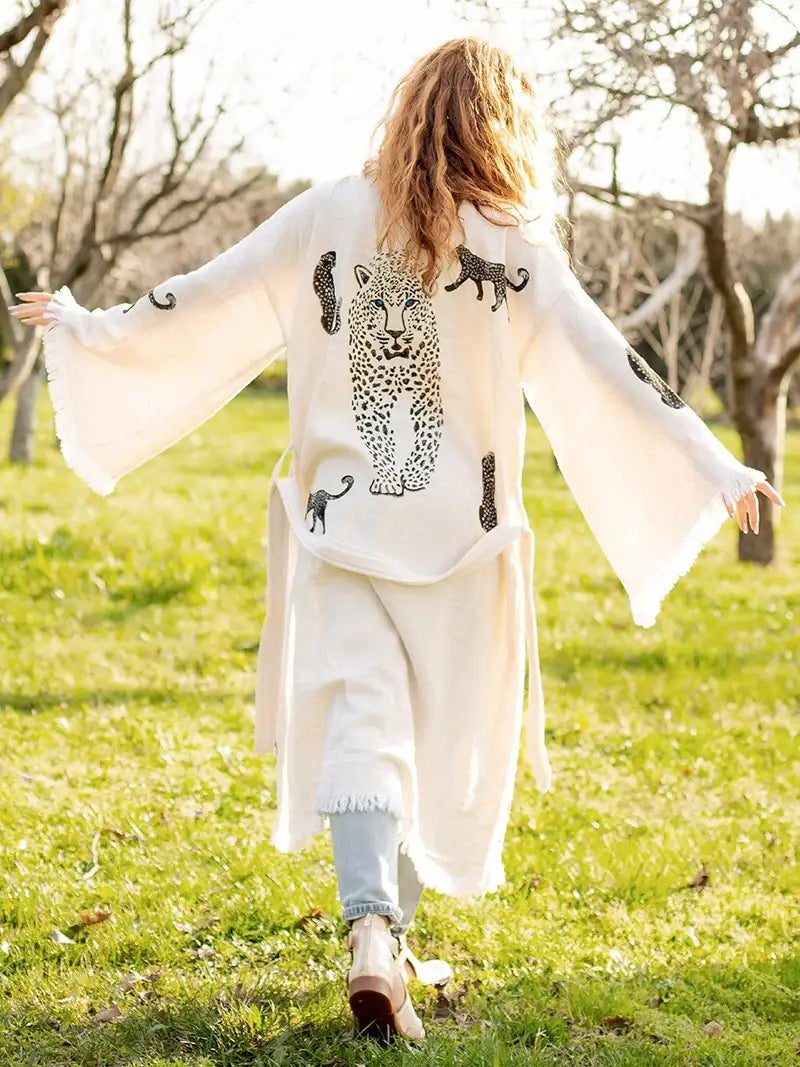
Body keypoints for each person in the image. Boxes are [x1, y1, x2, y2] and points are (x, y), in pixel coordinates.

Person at [10, 37, 785, 1043]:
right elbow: (609, 366)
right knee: (422, 741)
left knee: (360, 728)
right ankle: (388, 938)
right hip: (460, 548)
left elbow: (207, 296)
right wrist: (711, 465)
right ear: (500, 128)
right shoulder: (512, 247)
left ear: (410, 111)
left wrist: (89, 325)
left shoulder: (327, 212)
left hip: (339, 525)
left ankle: (372, 929)